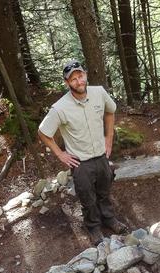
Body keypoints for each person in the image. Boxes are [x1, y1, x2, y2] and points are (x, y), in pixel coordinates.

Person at [38, 60, 127, 243]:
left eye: (81, 76)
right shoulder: (60, 108)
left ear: (85, 75)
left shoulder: (99, 93)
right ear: (67, 83)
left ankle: (109, 219)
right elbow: (43, 132)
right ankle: (93, 227)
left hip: (102, 156)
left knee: (104, 191)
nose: (79, 81)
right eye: (73, 79)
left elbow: (110, 112)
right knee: (87, 198)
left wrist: (108, 139)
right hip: (81, 163)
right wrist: (60, 154)